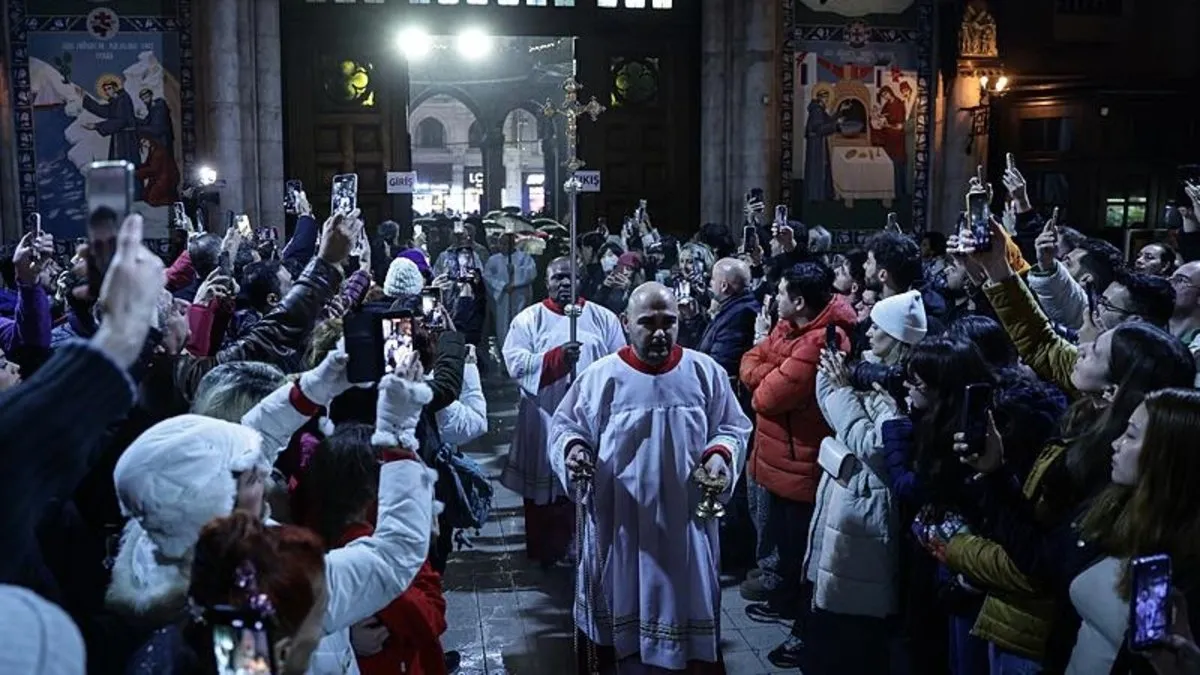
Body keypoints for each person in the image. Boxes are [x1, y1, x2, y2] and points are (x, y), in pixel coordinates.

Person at [550, 282, 752, 673]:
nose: (660, 332)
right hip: (618, 526)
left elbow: (732, 427)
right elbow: (565, 427)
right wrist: (574, 452)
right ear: (625, 323)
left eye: (669, 322)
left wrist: (720, 455)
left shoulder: (704, 371)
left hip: (685, 526)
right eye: (648, 323)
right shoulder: (600, 377)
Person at [738, 262, 857, 623]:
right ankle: (780, 592)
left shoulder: (822, 341)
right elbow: (749, 360)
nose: (774, 300)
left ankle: (790, 607)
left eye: (782, 293)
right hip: (775, 454)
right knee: (777, 533)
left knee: (795, 544)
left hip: (799, 461)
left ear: (801, 301)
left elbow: (765, 399)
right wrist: (768, 364)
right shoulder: (790, 327)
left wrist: (763, 367)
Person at [501, 257, 625, 567]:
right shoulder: (529, 319)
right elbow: (515, 362)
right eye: (558, 277)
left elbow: (619, 362)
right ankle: (546, 549)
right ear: (546, 281)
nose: (565, 283)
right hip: (544, 414)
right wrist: (555, 360)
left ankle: (584, 545)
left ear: (581, 281)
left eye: (571, 277)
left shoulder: (603, 318)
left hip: (588, 417)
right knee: (546, 486)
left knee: (583, 481)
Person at [483, 231, 537, 355]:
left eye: (507, 244)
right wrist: (502, 286)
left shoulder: (524, 257)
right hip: (502, 298)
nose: (504, 246)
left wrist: (516, 275)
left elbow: (531, 272)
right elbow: (487, 277)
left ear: (513, 244)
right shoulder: (493, 259)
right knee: (503, 327)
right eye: (501, 244)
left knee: (519, 323)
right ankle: (504, 354)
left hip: (519, 297)